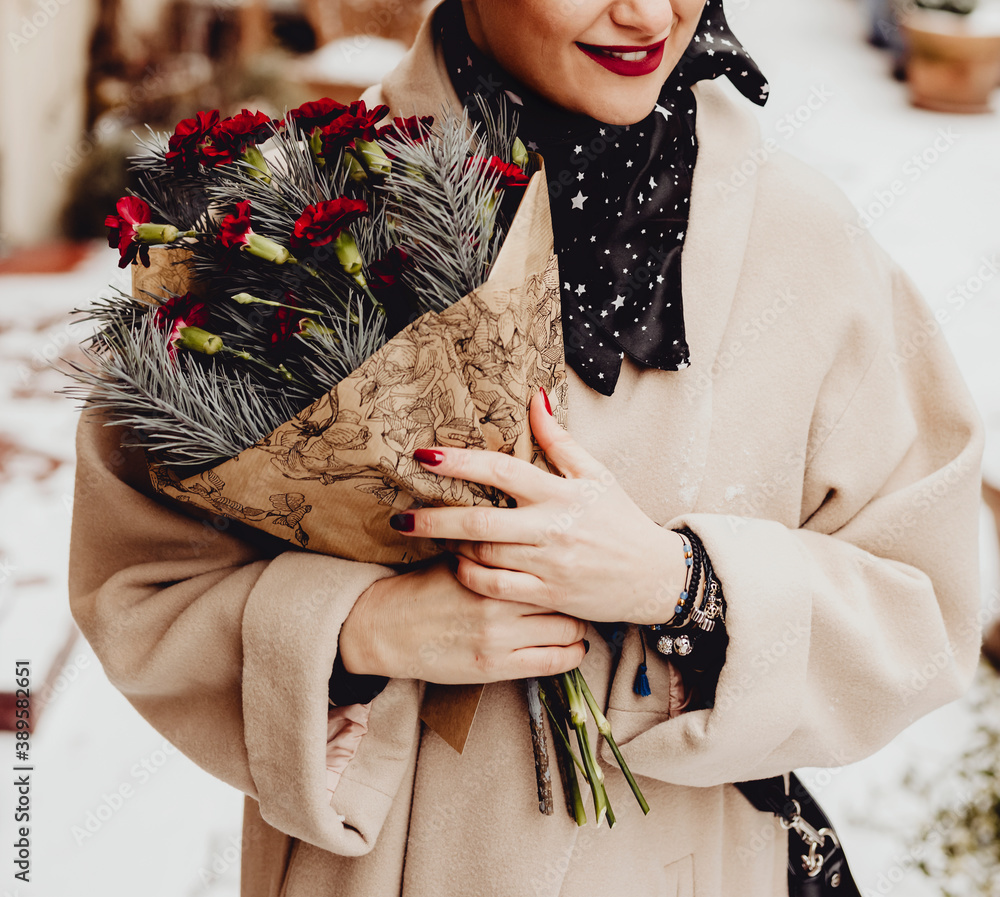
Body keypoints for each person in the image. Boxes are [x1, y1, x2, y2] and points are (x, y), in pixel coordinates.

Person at [69, 1, 985, 895]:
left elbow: (921, 605)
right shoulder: (288, 221)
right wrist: (359, 629)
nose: (647, 16)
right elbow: (142, 587)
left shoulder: (809, 243)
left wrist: (681, 583)